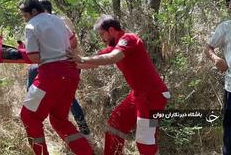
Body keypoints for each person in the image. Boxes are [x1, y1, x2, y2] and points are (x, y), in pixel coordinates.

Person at [68, 15, 170, 155]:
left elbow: (113, 58)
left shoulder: (129, 39)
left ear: (111, 30)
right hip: (137, 95)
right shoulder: (113, 47)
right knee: (115, 124)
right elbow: (92, 63)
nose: (102, 39)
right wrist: (67, 63)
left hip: (154, 97)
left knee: (145, 140)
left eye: (102, 34)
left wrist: (82, 59)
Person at [19, 0, 93, 155]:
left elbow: (34, 57)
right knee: (59, 120)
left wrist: (25, 51)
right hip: (71, 73)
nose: (25, 19)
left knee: (28, 117)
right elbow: (73, 43)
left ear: (33, 11)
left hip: (50, 76)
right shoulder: (58, 20)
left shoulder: (31, 25)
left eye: (25, 15)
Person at [205, 0, 231, 155]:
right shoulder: (225, 27)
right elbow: (208, 48)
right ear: (228, 7)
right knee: (230, 133)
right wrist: (216, 59)